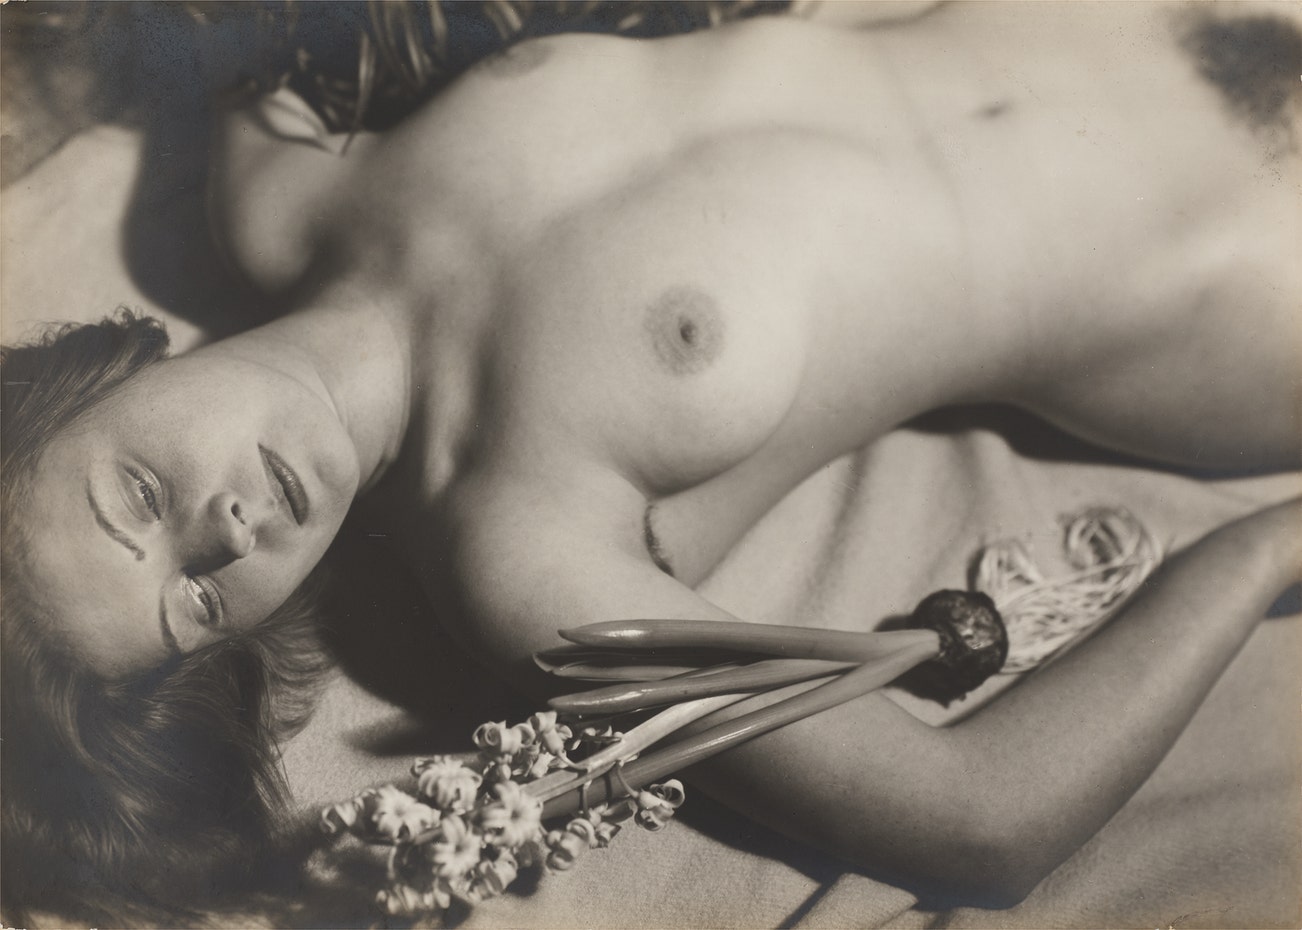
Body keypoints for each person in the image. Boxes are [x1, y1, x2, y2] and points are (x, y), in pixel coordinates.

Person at [2, 0, 1300, 922]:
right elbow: (981, 819)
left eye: (140, 495)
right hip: (1232, 261)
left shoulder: (276, 192)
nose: (228, 532)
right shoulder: (519, 546)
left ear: (99, 376)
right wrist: (1268, 549)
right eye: (200, 601)